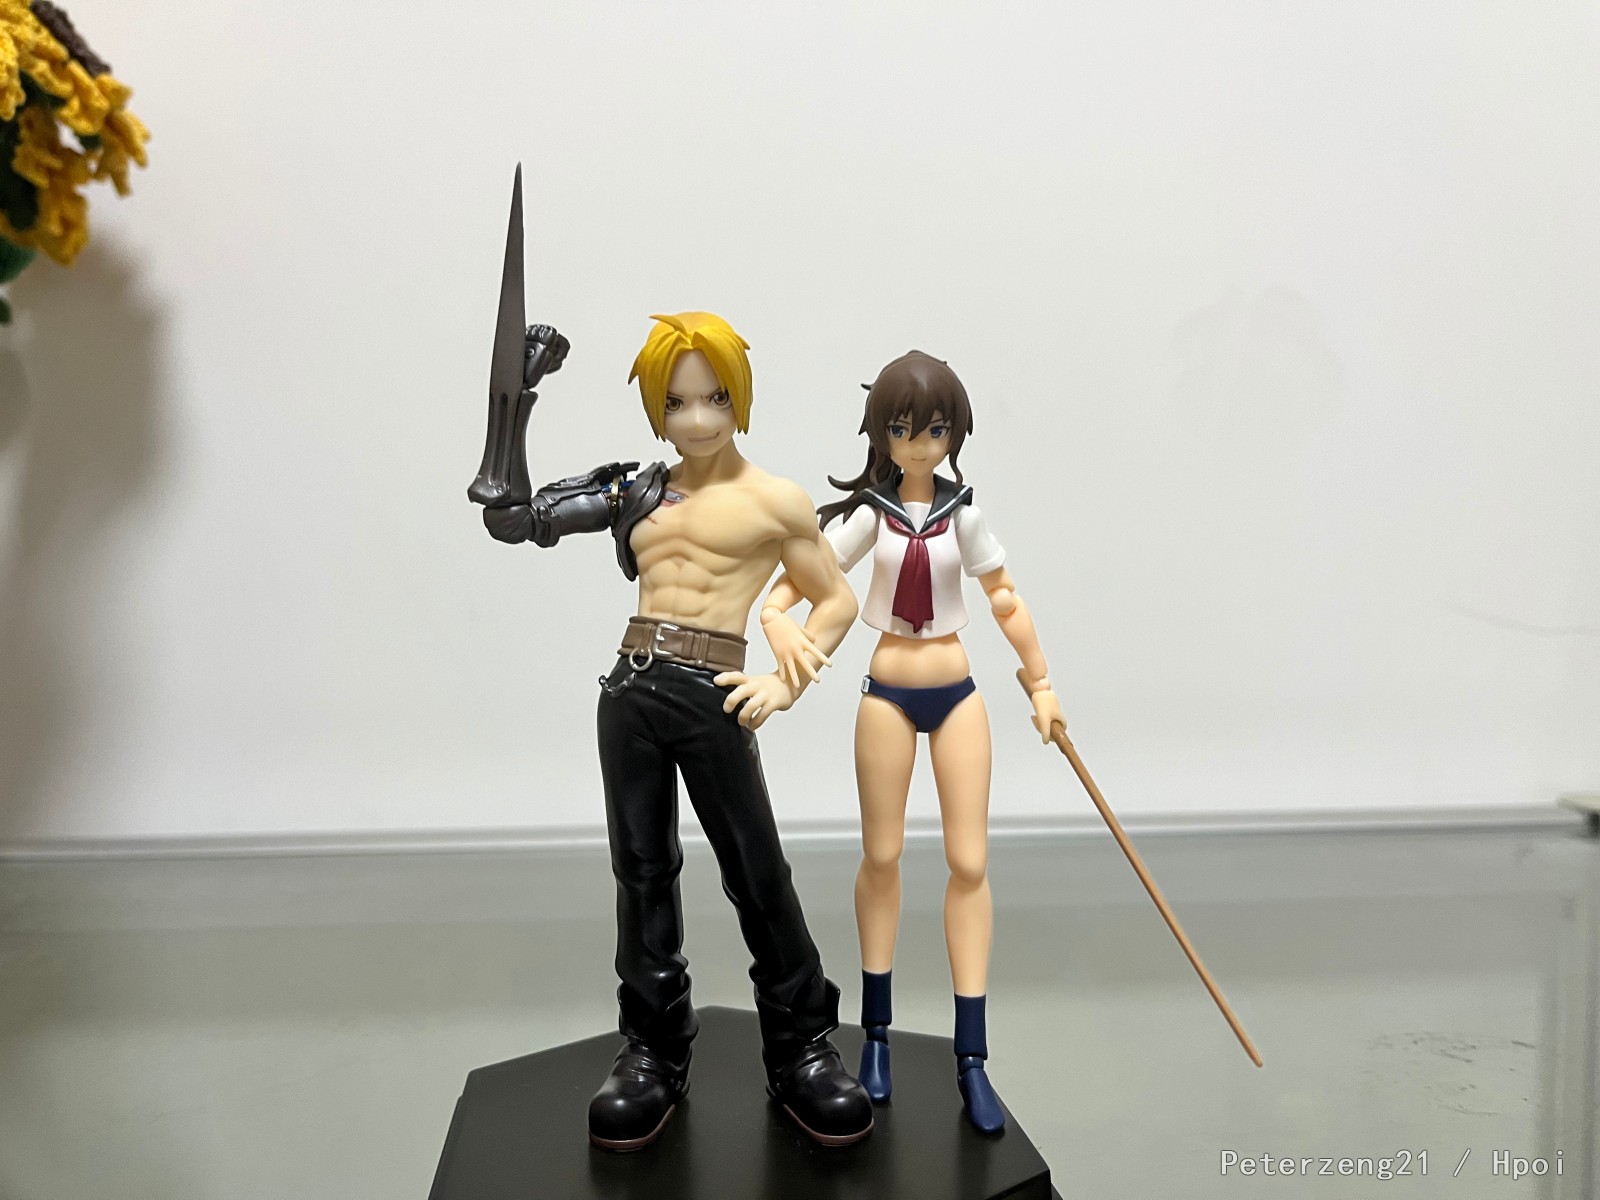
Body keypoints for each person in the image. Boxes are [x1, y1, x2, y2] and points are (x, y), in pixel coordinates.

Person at [477, 313, 873, 1151]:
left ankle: (801, 1043)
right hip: (631, 690)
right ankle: (653, 1048)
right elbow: (515, 519)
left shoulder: (774, 500)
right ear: (657, 407)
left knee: (756, 870)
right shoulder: (635, 489)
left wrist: (785, 681)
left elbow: (835, 599)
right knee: (642, 875)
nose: (696, 418)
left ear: (740, 398)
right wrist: (519, 398)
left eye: (715, 398)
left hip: (713, 691)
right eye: (677, 401)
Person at [761, 350, 1067, 1133]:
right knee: (883, 856)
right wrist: (773, 615)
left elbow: (1004, 597)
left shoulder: (964, 515)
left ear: (953, 432)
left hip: (957, 693)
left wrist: (1040, 683)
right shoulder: (872, 515)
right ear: (882, 434)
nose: (920, 444)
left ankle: (973, 1058)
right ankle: (877, 1037)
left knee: (969, 864)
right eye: (903, 429)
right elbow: (809, 571)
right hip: (887, 694)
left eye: (934, 429)